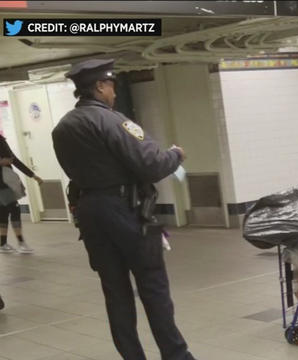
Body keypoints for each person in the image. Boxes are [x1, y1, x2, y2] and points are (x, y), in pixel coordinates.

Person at [51, 59, 196, 360]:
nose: (114, 93)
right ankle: (177, 356)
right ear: (100, 86)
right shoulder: (114, 121)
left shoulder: (62, 128)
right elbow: (151, 164)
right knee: (153, 287)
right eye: (111, 86)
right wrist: (175, 155)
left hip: (90, 213)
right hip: (127, 211)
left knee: (115, 293)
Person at [0, 135, 43, 254]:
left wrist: (33, 175)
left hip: (6, 182)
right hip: (3, 184)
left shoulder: (1, 139)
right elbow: (11, 159)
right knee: (14, 210)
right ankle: (21, 243)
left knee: (3, 212)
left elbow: (13, 160)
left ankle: (3, 244)